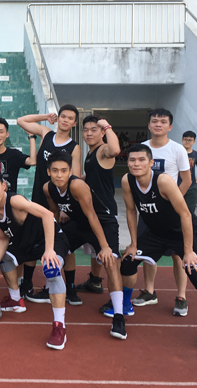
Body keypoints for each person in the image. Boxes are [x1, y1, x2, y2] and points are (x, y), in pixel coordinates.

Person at [119, 144, 197, 351]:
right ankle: (125, 304)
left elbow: (185, 214)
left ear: (151, 162)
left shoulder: (163, 181)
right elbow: (131, 211)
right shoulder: (127, 181)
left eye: (141, 160)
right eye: (132, 160)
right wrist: (133, 243)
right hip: (156, 233)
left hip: (183, 232)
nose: (136, 164)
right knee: (128, 262)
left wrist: (188, 251)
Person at [0, 169, 70, 347]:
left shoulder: (15, 200)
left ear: (4, 186)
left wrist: (49, 250)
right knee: (4, 258)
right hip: (27, 243)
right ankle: (16, 299)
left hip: (51, 239)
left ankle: (59, 327)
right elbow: (4, 238)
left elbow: (48, 214)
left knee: (52, 270)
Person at [42, 153, 126, 340]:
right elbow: (54, 214)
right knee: (55, 253)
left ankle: (119, 316)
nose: (59, 175)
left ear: (70, 171)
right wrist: (52, 243)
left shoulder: (77, 185)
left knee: (110, 262)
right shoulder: (48, 188)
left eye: (63, 170)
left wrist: (104, 247)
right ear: (48, 172)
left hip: (102, 223)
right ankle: (62, 287)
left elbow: (92, 216)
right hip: (78, 224)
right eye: (54, 170)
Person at [17, 104, 82, 302]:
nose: (65, 120)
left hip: (60, 204)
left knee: (64, 246)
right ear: (58, 118)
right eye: (63, 116)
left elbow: (75, 178)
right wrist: (46, 116)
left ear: (74, 123)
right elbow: (21, 121)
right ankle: (27, 284)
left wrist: (66, 208)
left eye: (70, 118)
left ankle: (69, 288)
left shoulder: (74, 147)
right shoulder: (46, 134)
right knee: (33, 240)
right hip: (39, 198)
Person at [132, 109, 192, 318]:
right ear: (149, 125)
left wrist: (173, 203)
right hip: (148, 213)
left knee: (177, 254)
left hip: (170, 214)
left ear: (170, 126)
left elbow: (187, 180)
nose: (158, 124)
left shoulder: (177, 149)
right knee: (147, 253)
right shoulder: (142, 149)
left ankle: (181, 296)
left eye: (163, 121)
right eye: (154, 121)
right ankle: (149, 291)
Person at [76, 115, 121, 297]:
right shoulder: (90, 153)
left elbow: (115, 150)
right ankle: (94, 281)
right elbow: (91, 177)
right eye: (86, 130)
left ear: (102, 133)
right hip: (91, 210)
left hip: (105, 212)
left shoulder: (103, 150)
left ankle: (117, 301)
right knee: (96, 250)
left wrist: (108, 126)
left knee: (109, 257)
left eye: (94, 130)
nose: (89, 133)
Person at [0, 117, 37, 193]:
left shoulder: (14, 154)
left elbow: (32, 161)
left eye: (1, 132)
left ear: (7, 134)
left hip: (10, 198)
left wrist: (31, 137)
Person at [181, 131, 197, 214]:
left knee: (190, 212)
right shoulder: (177, 153)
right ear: (182, 140)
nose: (187, 142)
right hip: (178, 185)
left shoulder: (196, 154)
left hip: (192, 187)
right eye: (185, 139)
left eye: (190, 140)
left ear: (194, 141)